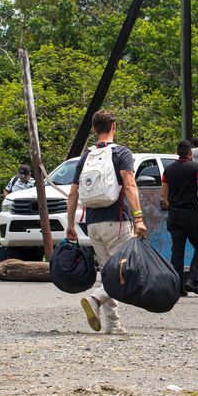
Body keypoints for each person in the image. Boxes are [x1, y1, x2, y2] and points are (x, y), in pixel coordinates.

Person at [66, 110, 146, 335]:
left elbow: (73, 194)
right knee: (125, 272)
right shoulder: (121, 152)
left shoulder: (86, 156)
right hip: (117, 222)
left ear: (93, 129)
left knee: (109, 273)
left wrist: (71, 225)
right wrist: (138, 218)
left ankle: (114, 324)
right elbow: (130, 185)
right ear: (113, 126)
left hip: (92, 224)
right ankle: (95, 299)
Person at [162, 140, 198, 295]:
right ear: (190, 153)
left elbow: (164, 196)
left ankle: (177, 287)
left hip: (174, 215)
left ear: (177, 153)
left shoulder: (168, 170)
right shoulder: (196, 168)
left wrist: (172, 205)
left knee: (177, 251)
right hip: (192, 213)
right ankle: (194, 279)